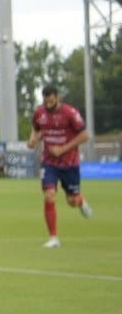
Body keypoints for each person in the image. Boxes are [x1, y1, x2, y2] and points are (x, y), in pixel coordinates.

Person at [29, 83, 93, 248]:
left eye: (51, 101)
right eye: (45, 102)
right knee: (49, 194)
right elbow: (36, 129)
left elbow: (85, 135)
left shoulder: (70, 113)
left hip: (69, 163)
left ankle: (81, 202)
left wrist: (63, 149)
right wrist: (33, 139)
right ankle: (54, 238)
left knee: (71, 200)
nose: (48, 105)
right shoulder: (39, 113)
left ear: (57, 97)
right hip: (49, 162)